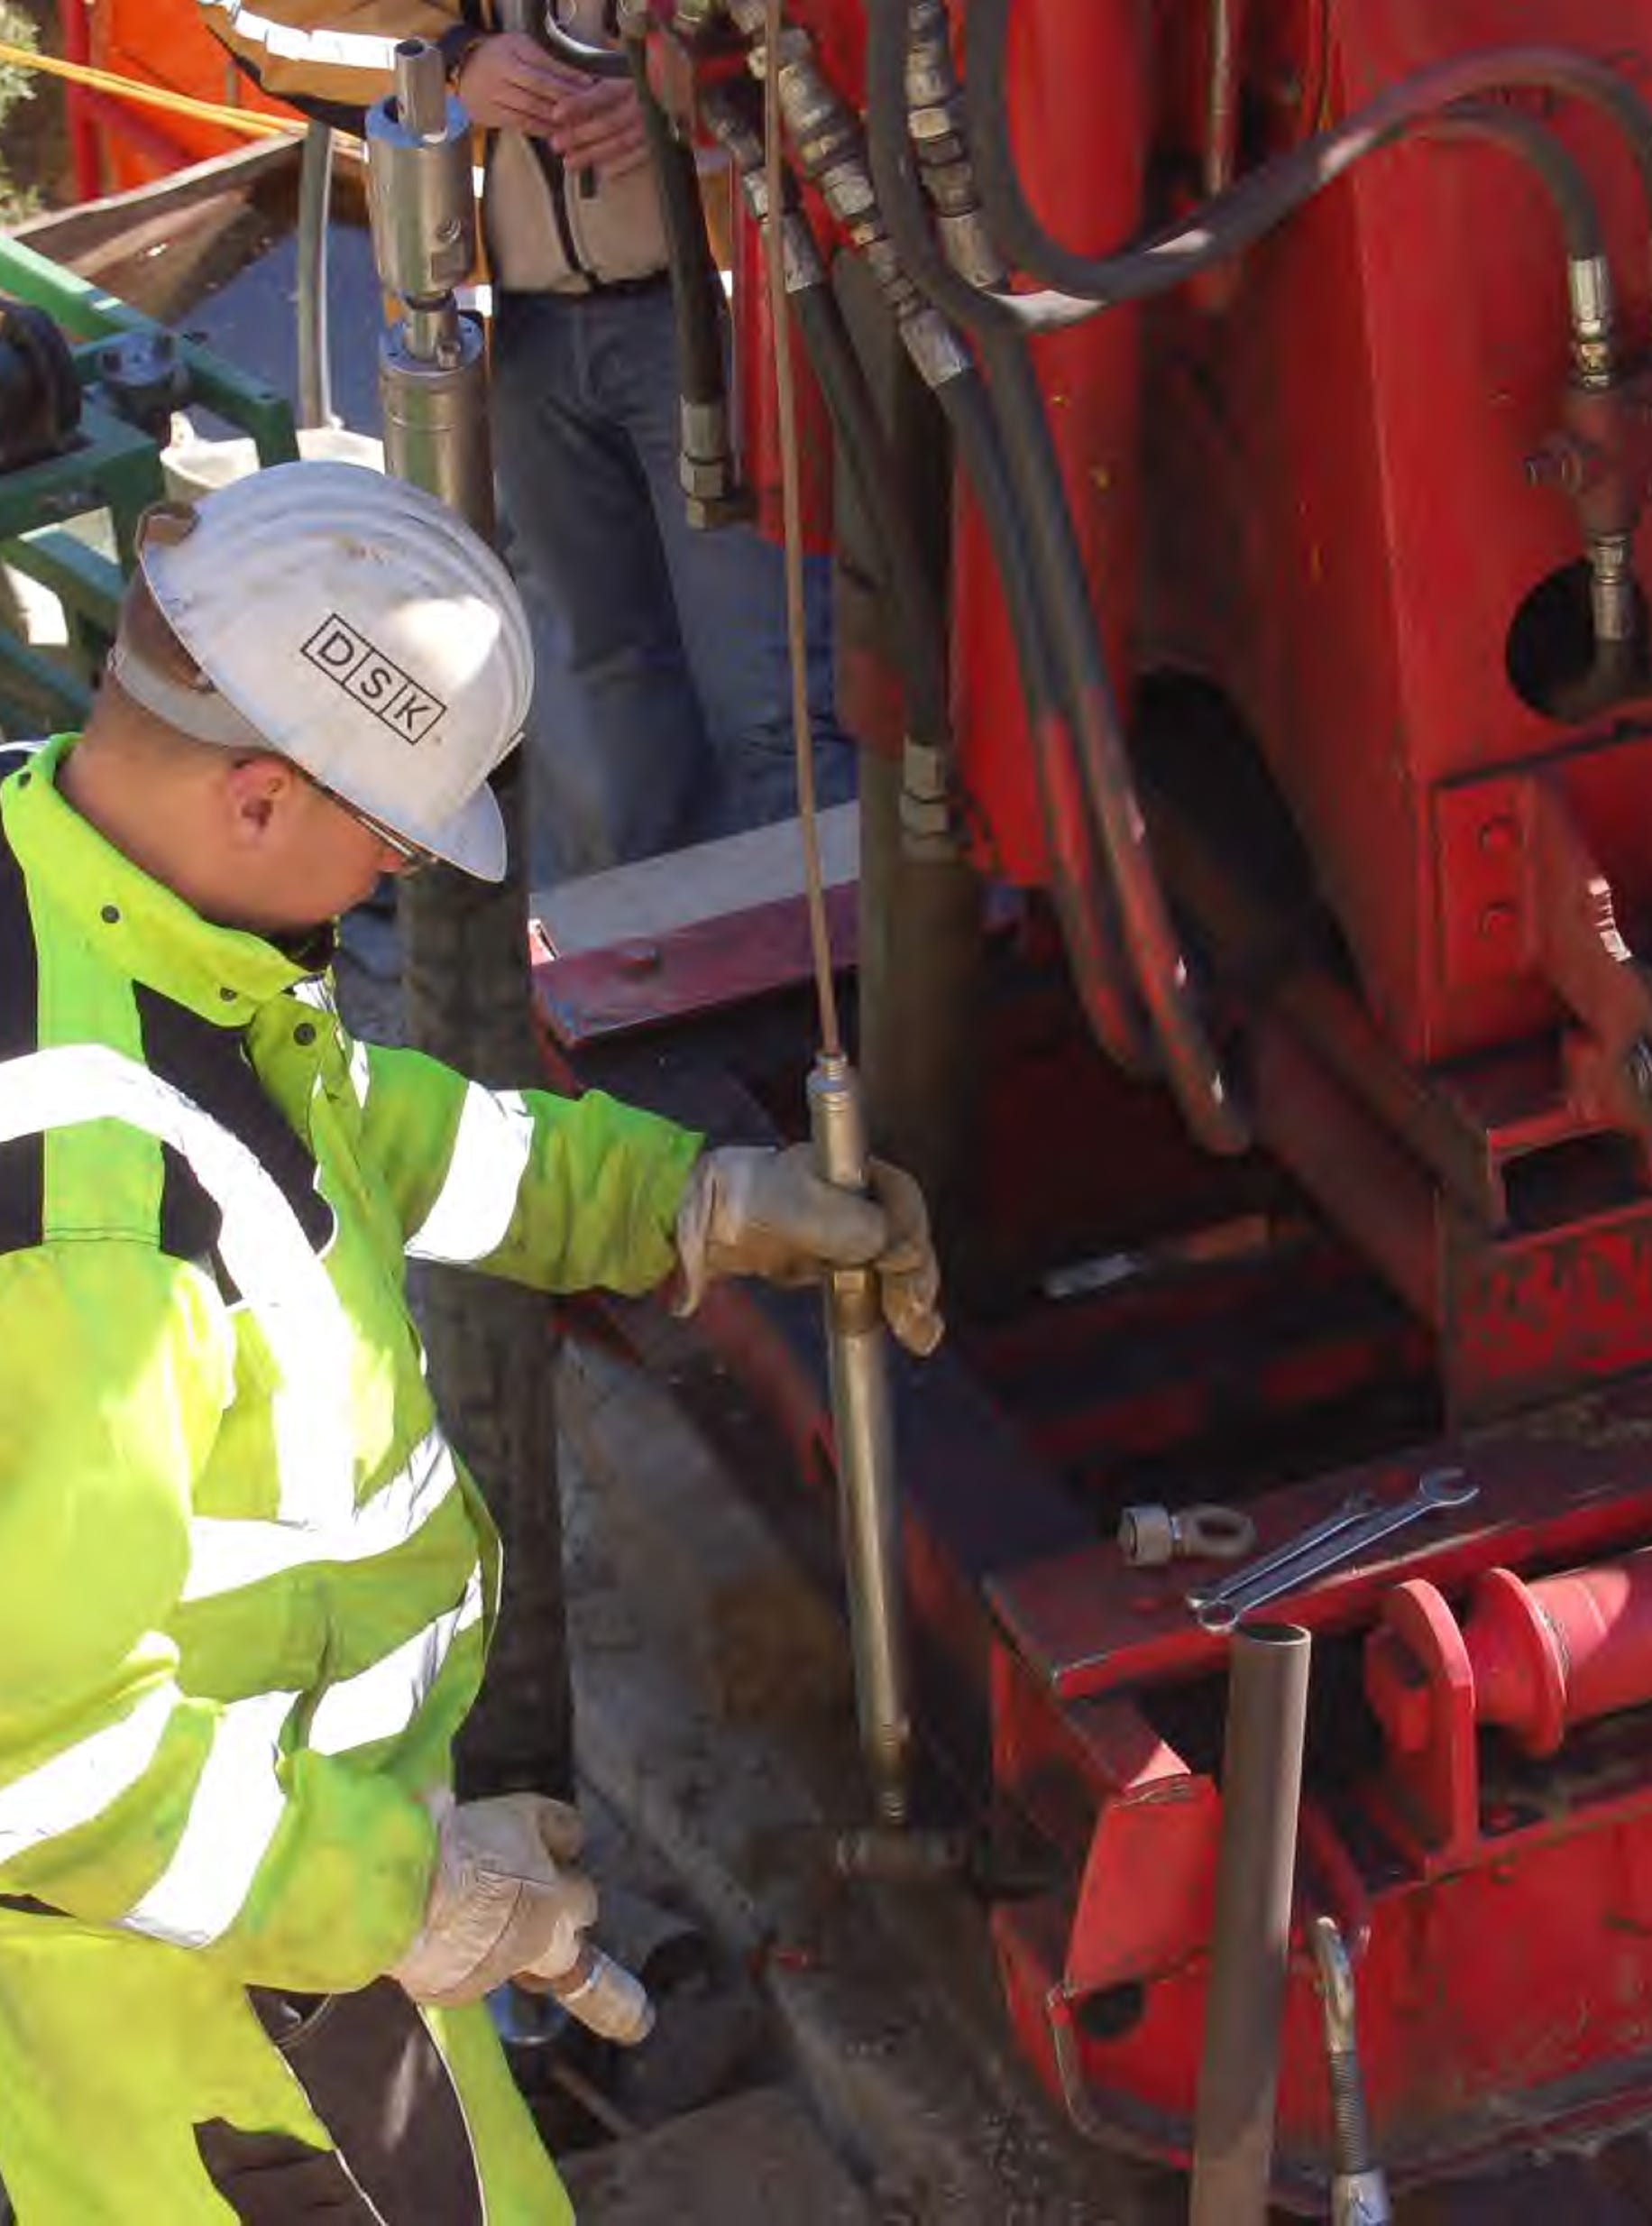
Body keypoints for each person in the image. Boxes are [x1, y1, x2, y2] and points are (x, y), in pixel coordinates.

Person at [0, 458, 936, 2222]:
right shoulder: (90, 1218)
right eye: (393, 836)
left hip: (290, 1931)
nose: (399, 868)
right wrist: (410, 1897)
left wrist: (684, 1202)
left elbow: (353, 1122)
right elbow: (43, 1760)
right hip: (201, 2014)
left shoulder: (85, 892)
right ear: (264, 793)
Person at [197, 0, 854, 885]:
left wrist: (698, 89)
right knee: (600, 711)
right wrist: (453, 63)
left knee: (775, 692)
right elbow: (257, 17)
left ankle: (818, 943)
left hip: (728, 311)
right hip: (519, 328)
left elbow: (856, 37)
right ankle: (639, 945)